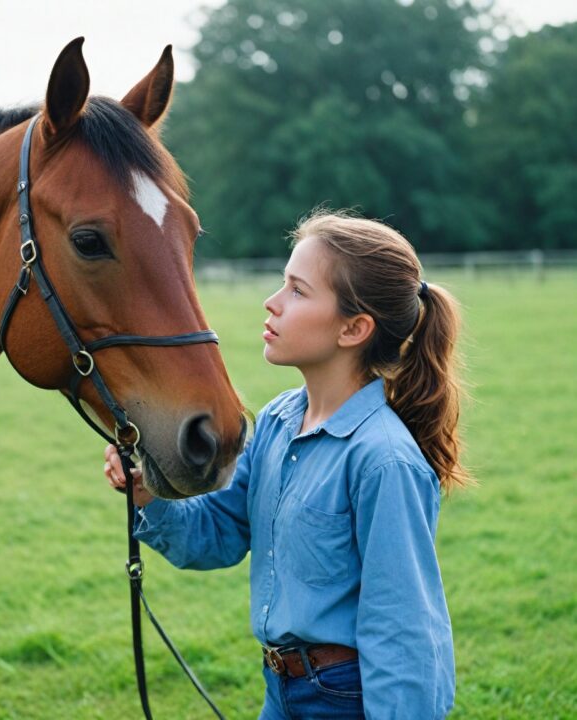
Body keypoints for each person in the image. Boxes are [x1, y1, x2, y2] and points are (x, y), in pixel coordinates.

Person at [104, 210, 468, 719]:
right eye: (282, 283)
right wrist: (151, 496)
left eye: (297, 291)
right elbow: (222, 532)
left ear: (354, 328)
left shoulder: (383, 459)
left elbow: (403, 627)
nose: (271, 304)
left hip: (347, 698)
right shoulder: (278, 421)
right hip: (281, 691)